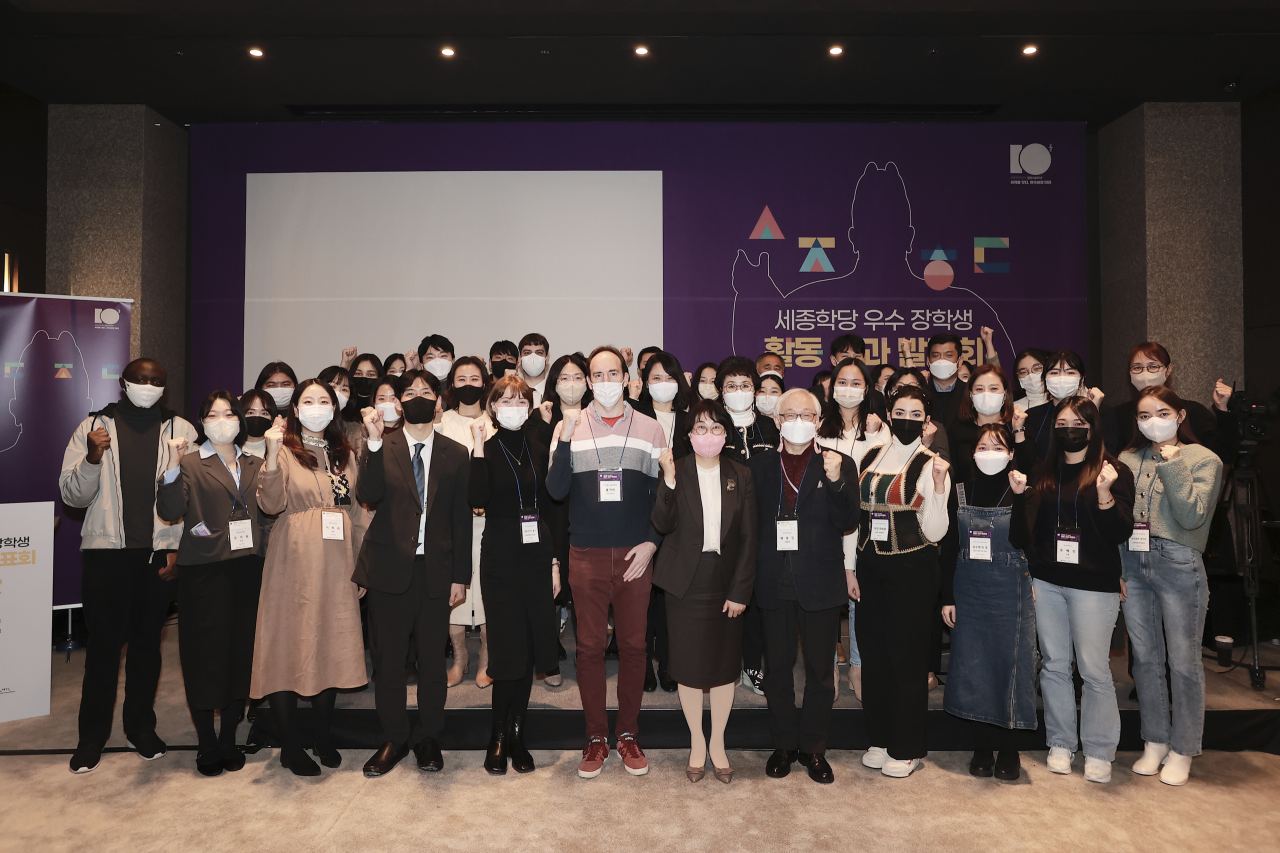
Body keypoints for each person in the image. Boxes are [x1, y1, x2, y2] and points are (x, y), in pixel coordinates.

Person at [59, 357, 198, 773]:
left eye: (156, 380)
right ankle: (91, 739)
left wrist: (179, 549)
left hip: (157, 557)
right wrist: (91, 459)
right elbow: (71, 495)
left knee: (146, 650)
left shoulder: (181, 431)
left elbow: (193, 497)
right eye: (140, 379)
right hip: (106, 557)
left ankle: (141, 728)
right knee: (102, 650)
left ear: (165, 387)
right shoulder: (92, 428)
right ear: (123, 383)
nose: (148, 385)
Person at [547, 345, 666, 779]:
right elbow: (557, 491)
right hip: (587, 556)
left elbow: (664, 498)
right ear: (589, 381)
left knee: (634, 647)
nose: (605, 381)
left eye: (612, 372)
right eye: (597, 375)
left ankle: (628, 734)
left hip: (637, 556)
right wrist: (562, 437)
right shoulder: (570, 427)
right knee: (590, 648)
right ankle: (596, 737)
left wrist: (652, 543)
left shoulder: (651, 428)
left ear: (626, 375)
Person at [1009, 396, 1135, 784]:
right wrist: (1031, 573)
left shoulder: (1113, 471)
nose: (1069, 429)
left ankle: (1099, 748)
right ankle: (1061, 741)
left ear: (1093, 427)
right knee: (1054, 664)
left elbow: (1121, 532)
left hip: (1094, 585)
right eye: (1061, 422)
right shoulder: (1044, 470)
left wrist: (1104, 495)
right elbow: (1029, 532)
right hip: (1047, 581)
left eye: (1077, 422)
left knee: (1094, 668)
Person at [355, 369, 472, 777]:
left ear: (439, 401)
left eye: (426, 391)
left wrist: (461, 576)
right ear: (398, 402)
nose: (418, 397)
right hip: (389, 569)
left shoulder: (456, 453)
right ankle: (394, 737)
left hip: (435, 571)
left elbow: (462, 521)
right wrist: (371, 441)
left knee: (431, 661)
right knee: (387, 661)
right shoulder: (379, 446)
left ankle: (428, 738)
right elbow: (367, 496)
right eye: (410, 392)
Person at [251, 379, 368, 777]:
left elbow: (357, 514)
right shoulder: (283, 452)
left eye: (324, 401)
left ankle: (322, 734)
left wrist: (361, 563)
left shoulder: (344, 455)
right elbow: (270, 504)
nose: (316, 406)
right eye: (308, 401)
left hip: (338, 564)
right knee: (287, 645)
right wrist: (269, 452)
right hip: (294, 559)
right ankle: (289, 744)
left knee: (330, 641)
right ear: (296, 411)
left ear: (333, 410)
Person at [750, 388, 859, 784]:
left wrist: (835, 482)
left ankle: (814, 748)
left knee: (819, 672)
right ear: (778, 421)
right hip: (773, 581)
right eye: (790, 414)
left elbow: (848, 519)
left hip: (821, 581)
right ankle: (782, 745)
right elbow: (748, 527)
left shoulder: (838, 462)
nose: (798, 420)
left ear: (818, 421)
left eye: (807, 414)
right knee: (777, 670)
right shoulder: (759, 467)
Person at [157, 391, 266, 776]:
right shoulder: (189, 463)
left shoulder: (256, 462)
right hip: (204, 571)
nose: (223, 419)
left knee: (240, 652)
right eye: (213, 413)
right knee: (204, 655)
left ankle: (229, 737)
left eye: (229, 413)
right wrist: (171, 463)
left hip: (248, 569)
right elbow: (170, 510)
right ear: (202, 421)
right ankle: (206, 741)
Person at [1119, 386, 1224, 786]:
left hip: (1179, 562)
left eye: (1162, 413)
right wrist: (1118, 568)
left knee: (1183, 661)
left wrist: (1174, 463)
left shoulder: (1203, 459)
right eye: (1144, 416)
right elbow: (1117, 517)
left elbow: (1194, 515)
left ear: (1180, 416)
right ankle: (1156, 740)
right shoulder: (1127, 458)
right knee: (1144, 659)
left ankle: (1184, 748)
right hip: (1133, 560)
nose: (1152, 422)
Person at [652, 400, 758, 784]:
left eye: (715, 429)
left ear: (726, 435)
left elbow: (749, 539)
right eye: (700, 428)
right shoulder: (676, 469)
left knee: (723, 666)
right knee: (690, 666)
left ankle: (719, 743)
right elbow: (661, 523)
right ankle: (698, 742)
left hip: (725, 581)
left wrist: (741, 590)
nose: (707, 436)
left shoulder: (741, 475)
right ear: (689, 435)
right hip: (685, 581)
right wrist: (666, 479)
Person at [855, 385, 951, 779]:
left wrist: (941, 490)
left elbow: (937, 531)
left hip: (912, 569)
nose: (907, 418)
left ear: (925, 419)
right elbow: (854, 518)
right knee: (875, 656)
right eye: (900, 411)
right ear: (889, 415)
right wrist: (849, 568)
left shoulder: (932, 463)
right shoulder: (870, 455)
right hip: (870, 566)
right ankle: (879, 736)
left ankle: (907, 746)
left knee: (907, 661)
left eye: (916, 412)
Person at [469, 375, 558, 774]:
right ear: (492, 407)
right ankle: (497, 736)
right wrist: (475, 447)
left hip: (537, 553)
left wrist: (554, 562)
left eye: (520, 401)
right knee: (506, 650)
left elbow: (550, 507)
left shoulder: (539, 447)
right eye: (505, 400)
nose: (514, 407)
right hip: (501, 555)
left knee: (527, 648)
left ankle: (518, 733)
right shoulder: (485, 449)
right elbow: (476, 498)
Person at [940, 423, 1037, 781]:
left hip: (1010, 586)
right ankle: (981, 745)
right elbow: (949, 545)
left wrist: (1021, 495)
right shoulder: (961, 489)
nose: (989, 453)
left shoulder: (1023, 488)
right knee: (973, 665)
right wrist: (946, 596)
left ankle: (1009, 748)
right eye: (983, 446)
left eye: (998, 447)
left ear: (1012, 453)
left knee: (1010, 664)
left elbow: (1024, 540)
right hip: (968, 586)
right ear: (973, 453)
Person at [815, 358, 890, 699]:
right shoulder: (818, 428)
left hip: (868, 528)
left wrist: (875, 438)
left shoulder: (880, 429)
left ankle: (858, 665)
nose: (848, 389)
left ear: (867, 387)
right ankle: (829, 662)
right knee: (828, 598)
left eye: (855, 382)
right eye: (841, 382)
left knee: (863, 598)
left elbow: (882, 479)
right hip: (828, 527)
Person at [632, 350, 695, 693]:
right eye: (656, 378)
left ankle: (670, 662)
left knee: (672, 593)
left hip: (681, 518)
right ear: (645, 383)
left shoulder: (690, 420)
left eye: (670, 378)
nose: (663, 385)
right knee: (642, 595)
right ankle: (642, 662)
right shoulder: (635, 416)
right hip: (642, 516)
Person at [715, 356, 778, 696]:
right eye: (731, 386)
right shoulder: (712, 424)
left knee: (756, 601)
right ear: (721, 391)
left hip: (764, 526)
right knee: (724, 598)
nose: (738, 392)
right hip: (723, 527)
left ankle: (753, 664)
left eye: (744, 386)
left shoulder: (770, 426)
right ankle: (725, 666)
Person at [436, 356, 496, 687]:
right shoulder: (440, 423)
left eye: (475, 378)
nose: (468, 384)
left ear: (484, 382)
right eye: (461, 379)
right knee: (454, 593)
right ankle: (460, 659)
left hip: (490, 524)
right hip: (452, 524)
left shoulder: (496, 420)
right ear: (451, 385)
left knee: (487, 591)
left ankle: (487, 659)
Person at [538, 352, 591, 686]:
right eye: (564, 378)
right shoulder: (541, 418)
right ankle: (549, 657)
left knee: (583, 584)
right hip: (551, 509)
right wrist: (543, 428)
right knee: (551, 584)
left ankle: (588, 653)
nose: (571, 385)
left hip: (586, 509)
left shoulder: (597, 416)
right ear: (553, 384)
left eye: (577, 377)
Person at [1102, 341, 1237, 461]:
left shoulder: (1194, 411)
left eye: (1153, 366)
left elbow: (1225, 454)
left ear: (1168, 370)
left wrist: (1222, 408)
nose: (1145, 373)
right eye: (1137, 368)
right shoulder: (1118, 414)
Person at [950, 364, 1036, 484]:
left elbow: (1028, 468)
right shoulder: (959, 429)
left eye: (993, 389)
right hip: (968, 499)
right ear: (970, 394)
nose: (986, 394)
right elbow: (954, 473)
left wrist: (1018, 431)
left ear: (1005, 394)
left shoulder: (1018, 425)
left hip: (1011, 498)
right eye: (979, 389)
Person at [238, 389, 278, 460]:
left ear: (273, 419)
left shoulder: (280, 450)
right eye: (250, 413)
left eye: (264, 413)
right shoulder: (230, 448)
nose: (257, 416)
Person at [518, 332, 551, 403]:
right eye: (527, 353)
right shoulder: (511, 391)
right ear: (520, 358)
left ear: (547, 358)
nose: (533, 357)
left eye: (539, 353)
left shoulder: (556, 391)